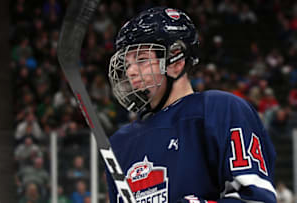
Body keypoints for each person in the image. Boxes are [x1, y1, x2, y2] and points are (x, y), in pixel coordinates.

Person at [106, 7, 276, 203]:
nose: (131, 72)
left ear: (176, 60)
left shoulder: (220, 111)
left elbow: (255, 199)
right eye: (127, 64)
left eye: (142, 59)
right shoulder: (120, 143)